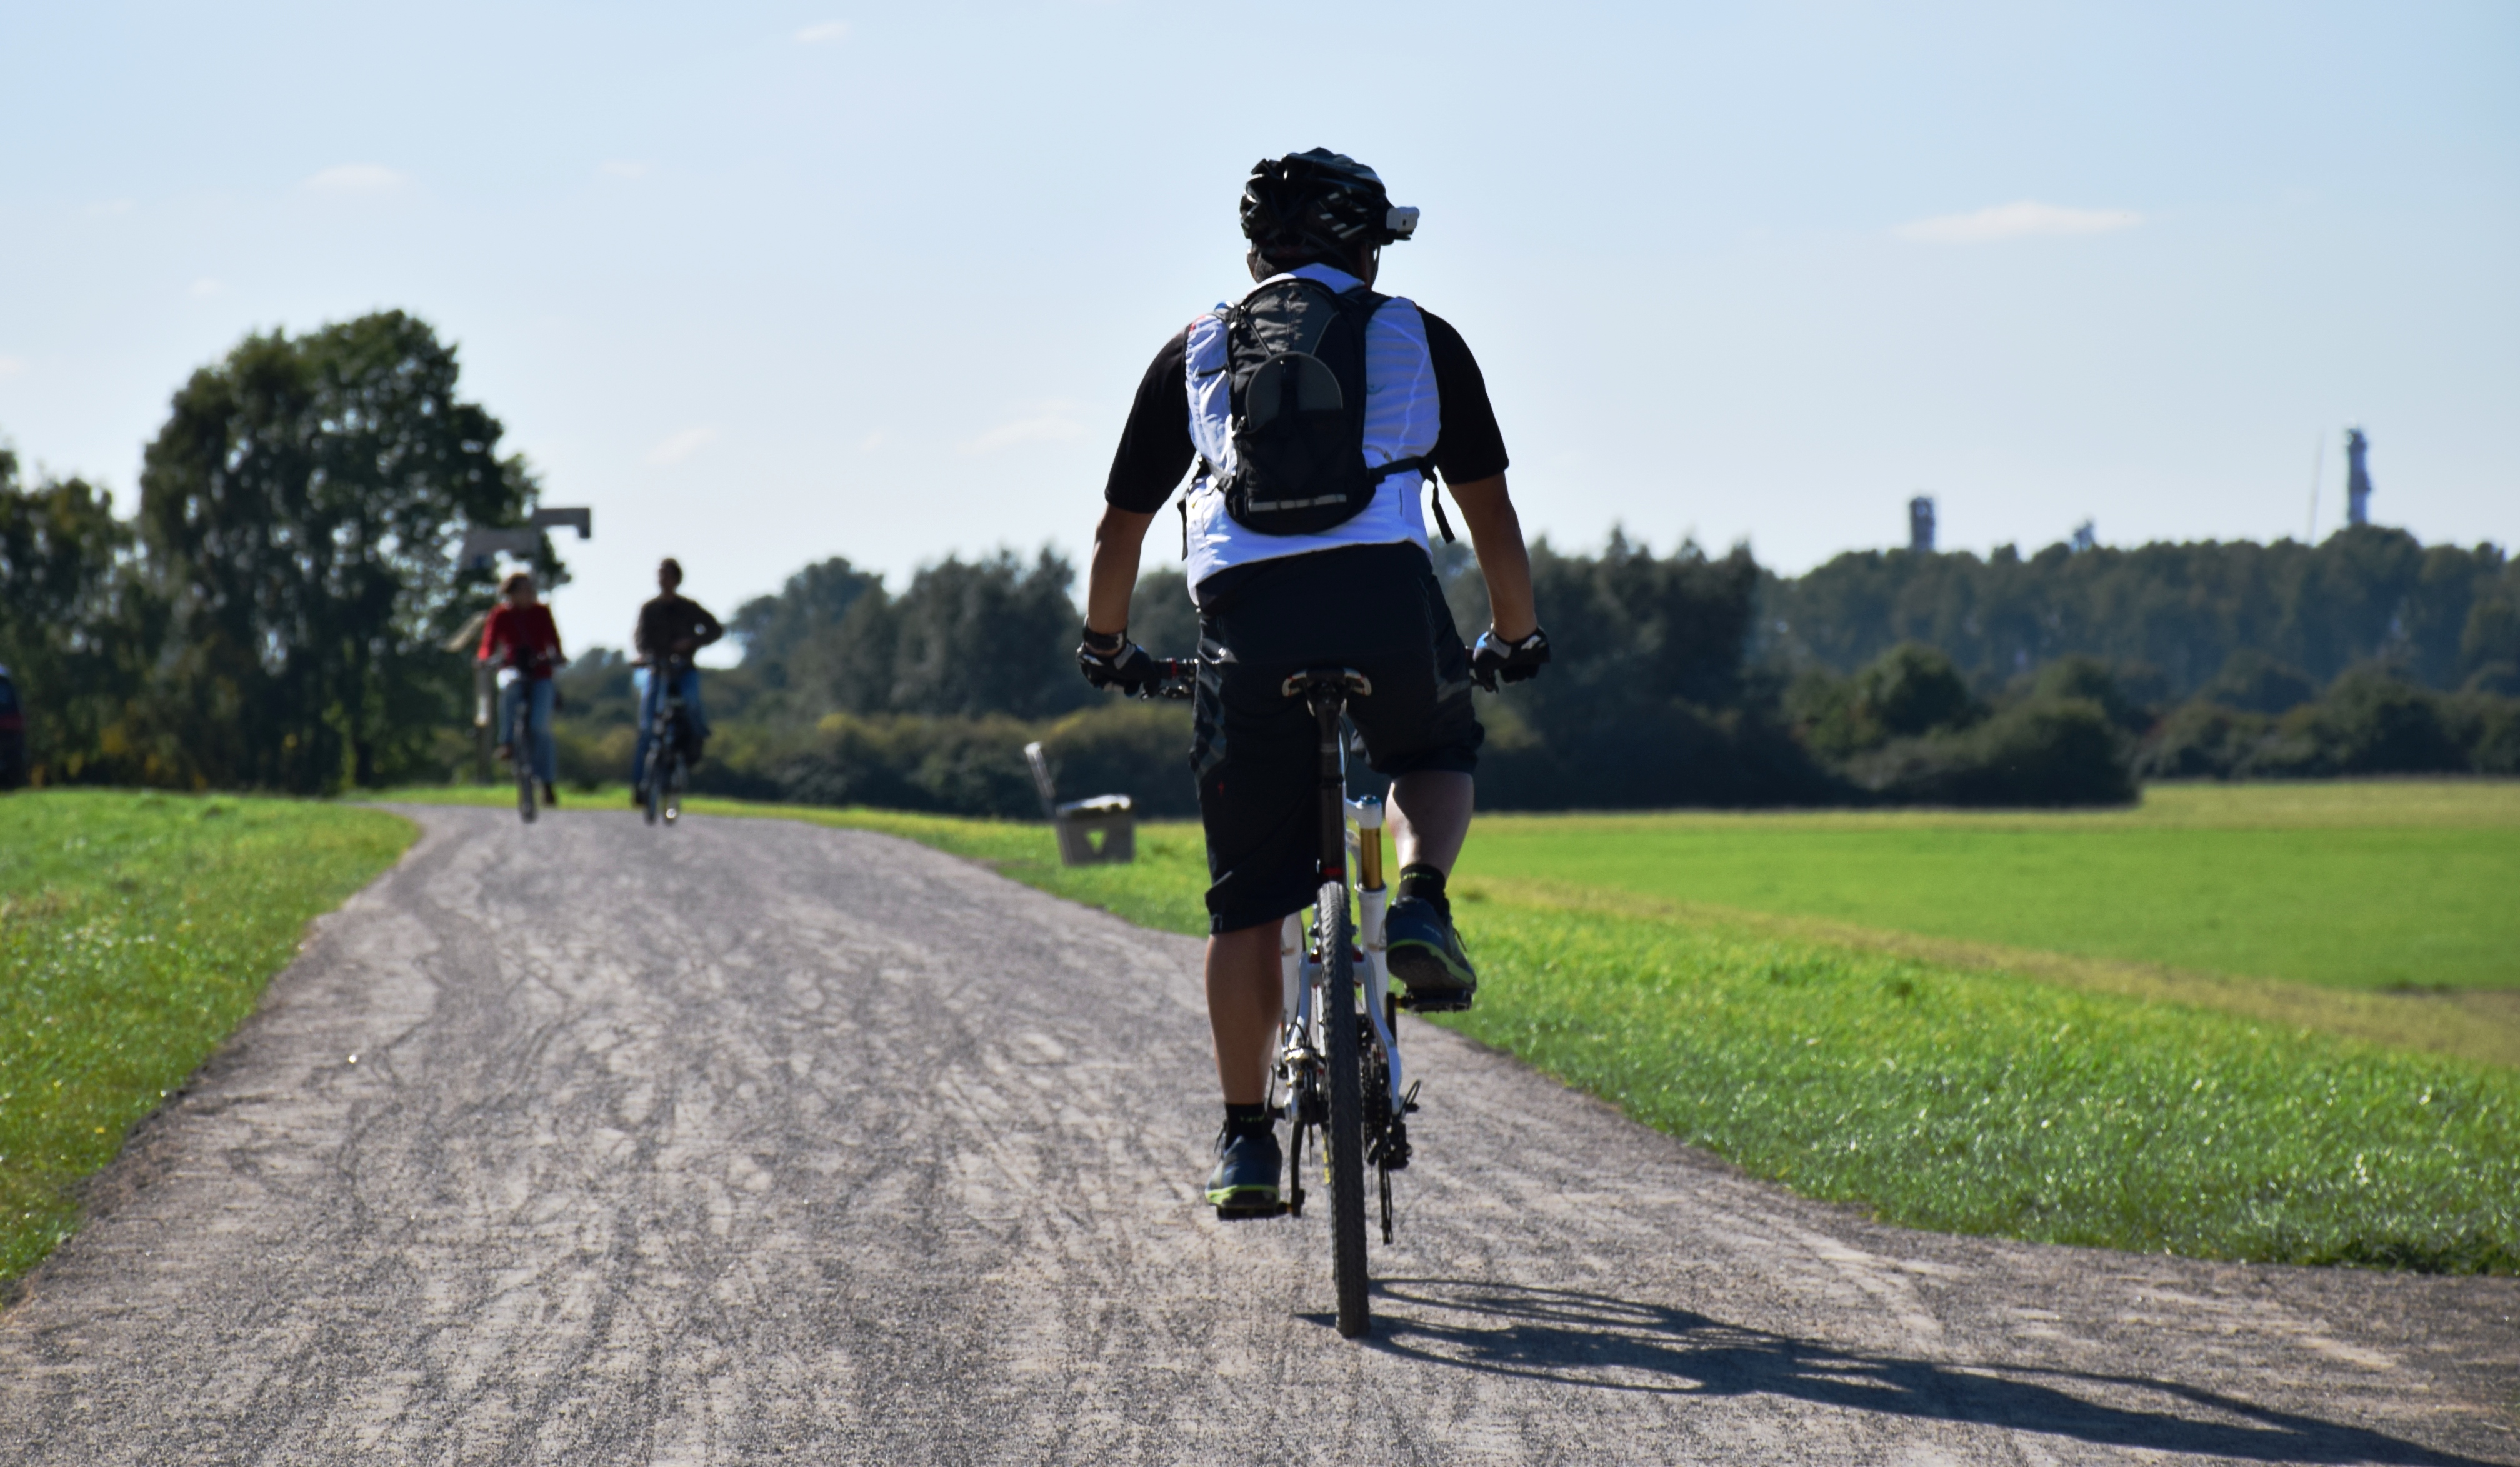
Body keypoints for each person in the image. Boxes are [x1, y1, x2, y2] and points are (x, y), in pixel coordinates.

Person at [1077, 149, 1550, 1214]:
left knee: (1247, 900)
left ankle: (1245, 1140)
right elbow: (1491, 518)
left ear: (1257, 246)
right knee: (1430, 747)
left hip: (1245, 621)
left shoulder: (1196, 349)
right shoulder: (1418, 336)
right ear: (1365, 244)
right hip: (1382, 599)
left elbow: (1119, 532)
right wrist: (1513, 636)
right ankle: (1421, 901)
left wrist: (1107, 646)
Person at [631, 557, 723, 803]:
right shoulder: (649, 609)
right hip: (657, 669)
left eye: (668, 575)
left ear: (677, 579)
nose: (664, 580)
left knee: (691, 701)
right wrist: (645, 655)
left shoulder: (689, 608)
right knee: (647, 725)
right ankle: (641, 785)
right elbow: (640, 638)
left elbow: (716, 629)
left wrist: (693, 641)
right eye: (661, 575)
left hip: (684, 669)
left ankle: (696, 740)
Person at [479, 570, 568, 806]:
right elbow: (489, 643)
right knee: (508, 689)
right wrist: (486, 659)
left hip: (540, 673)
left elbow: (553, 641)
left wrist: (557, 657)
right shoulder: (501, 615)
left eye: (531, 590)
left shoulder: (541, 613)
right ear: (512, 593)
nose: (530, 594)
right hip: (513, 668)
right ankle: (507, 742)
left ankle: (547, 783)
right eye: (524, 590)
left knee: (541, 727)